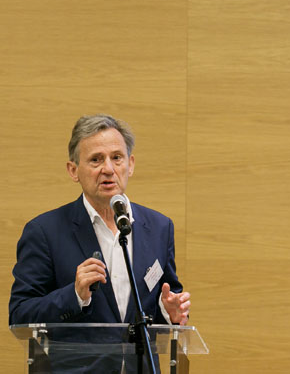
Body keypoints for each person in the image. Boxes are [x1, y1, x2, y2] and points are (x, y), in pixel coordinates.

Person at [9, 114, 190, 370]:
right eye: (96, 159)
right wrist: (74, 295)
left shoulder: (159, 227)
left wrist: (170, 311)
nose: (108, 168)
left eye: (117, 157)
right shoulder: (45, 231)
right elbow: (20, 314)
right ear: (74, 171)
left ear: (131, 164)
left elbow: (166, 297)